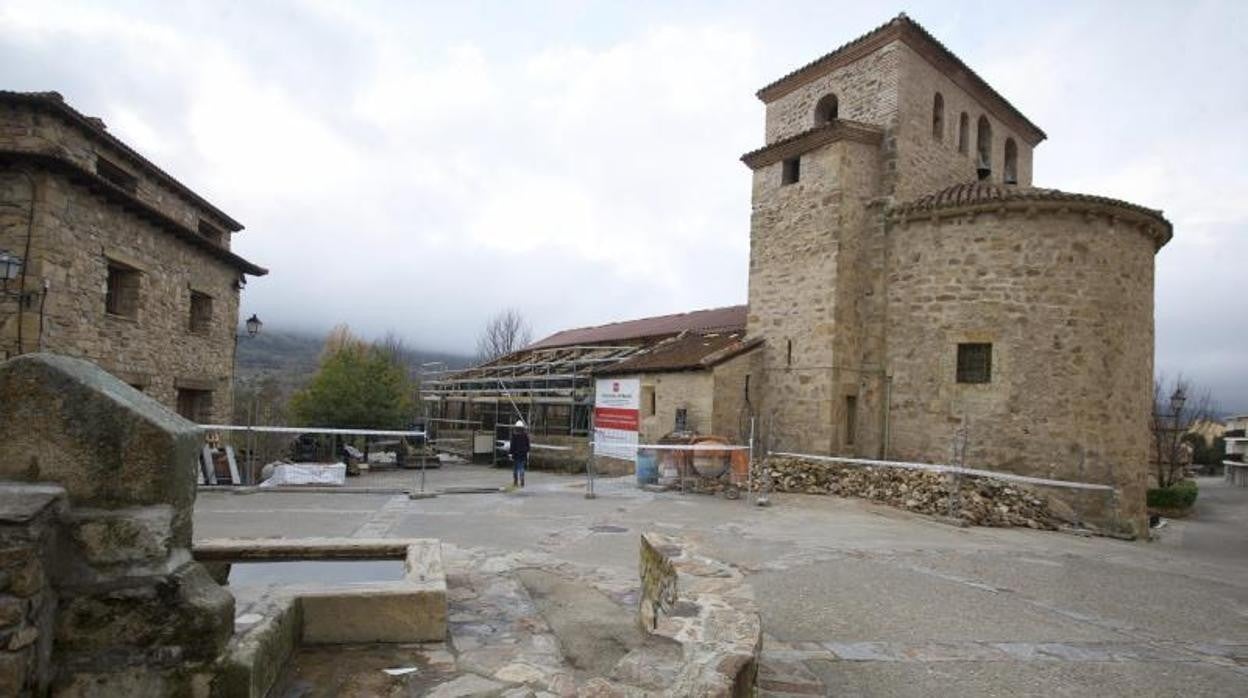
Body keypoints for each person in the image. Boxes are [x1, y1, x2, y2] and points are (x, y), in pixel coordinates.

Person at [509, 420, 530, 488]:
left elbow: (512, 445)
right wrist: (527, 452)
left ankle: (515, 481)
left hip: (516, 454)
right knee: (521, 468)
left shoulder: (514, 435)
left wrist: (510, 453)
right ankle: (522, 480)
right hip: (523, 454)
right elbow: (528, 445)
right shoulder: (525, 436)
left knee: (515, 469)